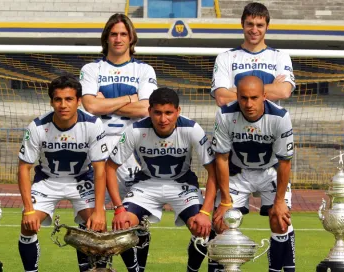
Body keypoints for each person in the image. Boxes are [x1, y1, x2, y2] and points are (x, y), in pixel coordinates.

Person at [105, 87, 223, 272]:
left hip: (182, 184)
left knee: (202, 229)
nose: (163, 119)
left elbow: (213, 172)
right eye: (157, 113)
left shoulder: (191, 129)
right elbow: (109, 168)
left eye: (169, 113)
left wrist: (206, 213)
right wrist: (119, 208)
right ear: (149, 111)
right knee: (122, 226)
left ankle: (192, 270)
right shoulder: (135, 130)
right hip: (147, 183)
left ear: (178, 111)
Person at [79, 13, 158, 272]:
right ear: (106, 38)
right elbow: (89, 105)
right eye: (114, 34)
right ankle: (98, 268)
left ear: (131, 37)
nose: (118, 38)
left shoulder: (144, 70)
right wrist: (128, 98)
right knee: (93, 216)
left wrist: (106, 104)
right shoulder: (91, 69)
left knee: (135, 217)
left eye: (123, 34)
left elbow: (147, 108)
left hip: (133, 152)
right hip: (95, 150)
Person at [17, 74, 108, 272]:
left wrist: (100, 211)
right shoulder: (38, 126)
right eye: (58, 99)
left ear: (79, 101)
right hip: (48, 181)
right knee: (28, 225)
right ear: (51, 102)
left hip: (82, 181)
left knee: (97, 229)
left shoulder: (93, 125)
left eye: (69, 99)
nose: (63, 105)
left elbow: (100, 170)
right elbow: (24, 168)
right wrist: (29, 209)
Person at [212, 76, 295, 272]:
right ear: (237, 97)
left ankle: (278, 269)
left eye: (254, 98)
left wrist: (280, 201)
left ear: (265, 96)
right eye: (244, 98)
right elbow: (221, 158)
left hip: (270, 172)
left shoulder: (280, 117)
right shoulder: (224, 115)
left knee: (280, 220)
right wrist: (225, 201)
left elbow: (285, 162)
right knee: (221, 222)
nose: (249, 104)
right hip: (237, 173)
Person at [211, 2, 295, 106]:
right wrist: (271, 88)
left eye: (260, 25)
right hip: (234, 121)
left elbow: (284, 92)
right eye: (250, 24)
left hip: (269, 122)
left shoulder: (280, 57)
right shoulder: (225, 57)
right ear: (242, 24)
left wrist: (238, 92)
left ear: (267, 26)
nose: (254, 30)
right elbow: (222, 98)